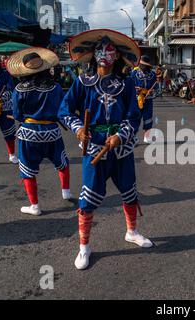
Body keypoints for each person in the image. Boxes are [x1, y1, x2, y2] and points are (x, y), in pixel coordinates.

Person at [58, 29, 152, 270]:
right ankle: (84, 247)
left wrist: (121, 136)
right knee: (87, 198)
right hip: (94, 148)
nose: (105, 54)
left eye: (110, 50)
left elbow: (133, 116)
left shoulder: (127, 83)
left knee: (129, 192)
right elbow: (64, 110)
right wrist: (79, 129)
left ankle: (132, 231)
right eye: (100, 50)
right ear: (93, 54)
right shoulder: (82, 83)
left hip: (121, 149)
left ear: (117, 56)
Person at [7, 47, 71, 216]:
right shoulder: (55, 87)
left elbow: (17, 115)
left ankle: (35, 205)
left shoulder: (19, 89)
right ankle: (67, 192)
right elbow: (61, 110)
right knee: (62, 162)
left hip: (29, 132)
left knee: (27, 169)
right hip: (52, 131)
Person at [131, 55, 159, 144]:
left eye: (145, 65)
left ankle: (147, 136)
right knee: (135, 118)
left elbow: (156, 88)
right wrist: (137, 90)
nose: (142, 66)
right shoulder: (134, 73)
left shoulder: (152, 74)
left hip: (148, 100)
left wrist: (152, 91)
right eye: (141, 65)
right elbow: (130, 86)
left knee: (148, 118)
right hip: (137, 100)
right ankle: (133, 137)